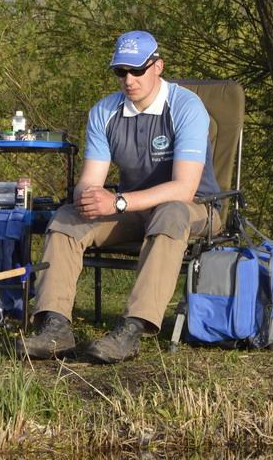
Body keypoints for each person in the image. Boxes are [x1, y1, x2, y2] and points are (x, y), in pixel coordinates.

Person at [19, 30, 221, 363]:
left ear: (158, 66)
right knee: (68, 216)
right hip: (133, 209)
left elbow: (184, 188)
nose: (128, 79)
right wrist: (88, 197)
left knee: (171, 211)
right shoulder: (104, 112)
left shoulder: (186, 107)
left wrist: (118, 202)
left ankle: (131, 329)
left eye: (137, 70)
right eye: (121, 71)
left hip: (197, 208)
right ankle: (55, 327)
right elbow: (91, 180)